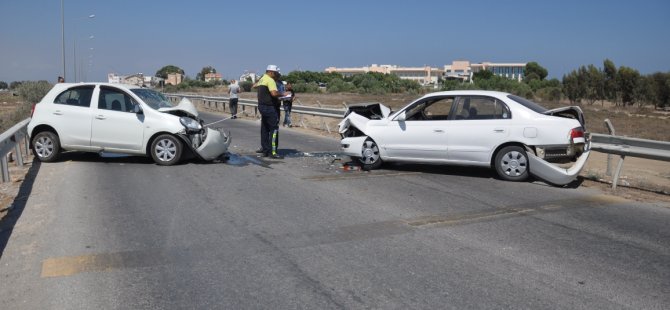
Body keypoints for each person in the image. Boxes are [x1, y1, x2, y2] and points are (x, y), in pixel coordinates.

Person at [252, 65, 284, 159]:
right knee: (274, 129)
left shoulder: (262, 79)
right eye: (276, 73)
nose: (276, 75)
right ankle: (273, 152)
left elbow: (254, 86)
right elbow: (274, 93)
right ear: (271, 72)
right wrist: (283, 94)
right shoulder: (270, 80)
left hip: (262, 106)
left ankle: (265, 150)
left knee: (265, 128)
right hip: (270, 107)